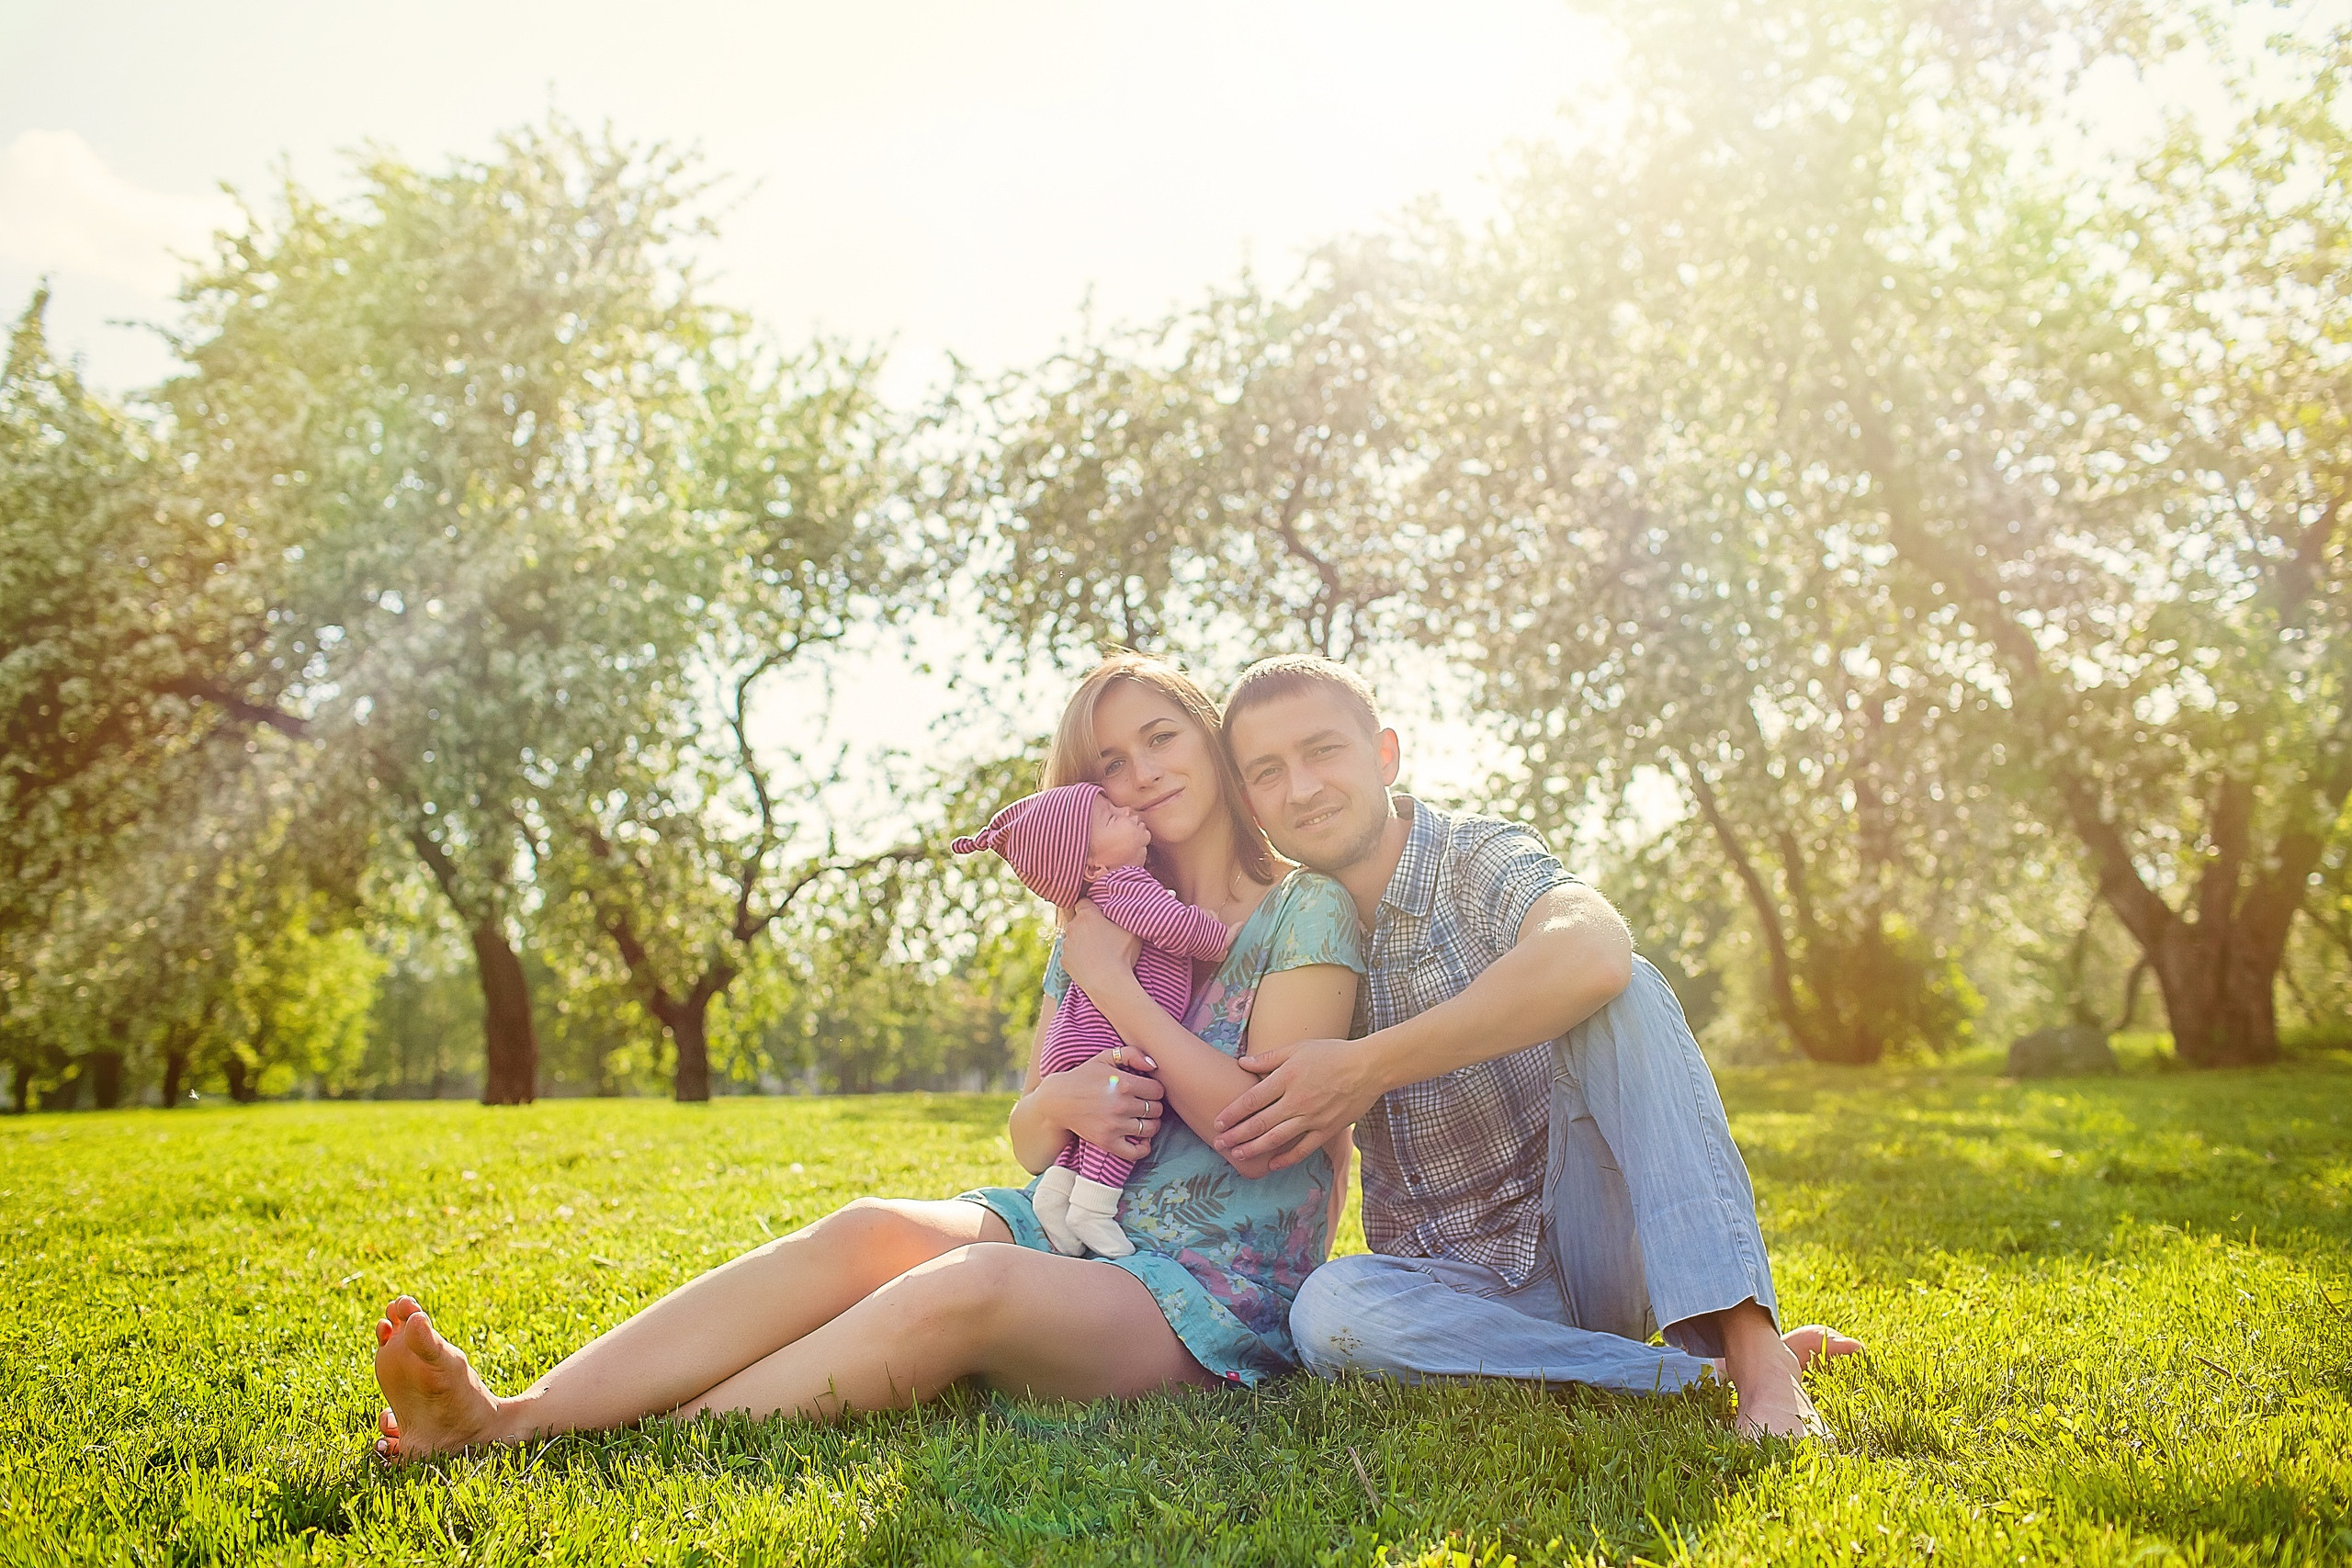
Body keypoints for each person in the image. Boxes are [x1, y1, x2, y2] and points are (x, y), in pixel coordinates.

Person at [367, 653, 1364, 1459]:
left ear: (1210, 740)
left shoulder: (1300, 909)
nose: (1142, 771)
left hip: (1209, 1288)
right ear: (1085, 794)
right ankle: (513, 1415)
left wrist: (1110, 990)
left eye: (1163, 736)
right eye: (1110, 761)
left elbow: (1257, 1137)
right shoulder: (1094, 917)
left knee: (966, 1289)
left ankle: (644, 1443)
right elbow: (1026, 1137)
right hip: (1074, 1231)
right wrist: (1065, 1095)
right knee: (869, 1228)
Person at [1209, 655, 1861, 1440]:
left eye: (1323, 751)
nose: (1303, 787)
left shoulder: (1472, 853)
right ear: (1249, 802)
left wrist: (1370, 1063)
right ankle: (1687, 1379)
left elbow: (1593, 949)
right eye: (1270, 771)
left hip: (1592, 1234)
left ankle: (1757, 1356)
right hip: (1464, 1287)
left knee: (1626, 988)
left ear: (1384, 754)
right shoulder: (1287, 932)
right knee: (1329, 1314)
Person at [950, 780, 1233, 1257]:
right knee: (1118, 1116)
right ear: (1091, 864)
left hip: (1075, 1038)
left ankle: (1057, 1195)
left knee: (1088, 1127)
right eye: (1109, 817)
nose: (1127, 808)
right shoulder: (1125, 886)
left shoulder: (1100, 902)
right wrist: (1218, 938)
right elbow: (1173, 925)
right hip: (1102, 1038)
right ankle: (1094, 1210)